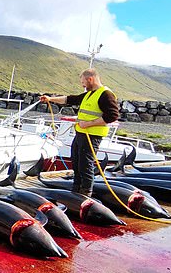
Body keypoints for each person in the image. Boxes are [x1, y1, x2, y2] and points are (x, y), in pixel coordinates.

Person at [40, 68, 119, 197]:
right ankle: (76, 188)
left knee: (85, 163)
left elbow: (112, 116)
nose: (82, 85)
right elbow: (70, 99)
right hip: (81, 133)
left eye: (83, 82)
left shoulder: (105, 94)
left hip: (91, 135)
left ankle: (86, 192)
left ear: (90, 79)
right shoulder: (89, 94)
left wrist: (88, 124)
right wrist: (50, 99)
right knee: (76, 161)